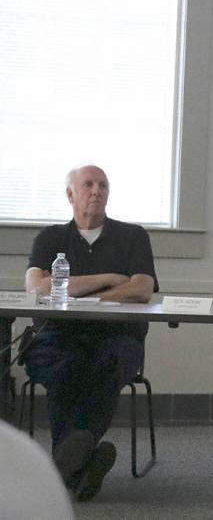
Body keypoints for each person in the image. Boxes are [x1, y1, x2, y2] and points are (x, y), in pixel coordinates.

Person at [23, 164, 158, 501]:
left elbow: (142, 288)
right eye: (88, 185)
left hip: (116, 337)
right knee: (64, 367)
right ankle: (80, 460)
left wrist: (79, 295)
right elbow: (36, 287)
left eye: (103, 185)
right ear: (71, 194)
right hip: (57, 336)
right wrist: (109, 278)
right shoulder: (50, 237)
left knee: (106, 366)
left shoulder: (132, 236)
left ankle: (66, 465)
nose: (96, 191)